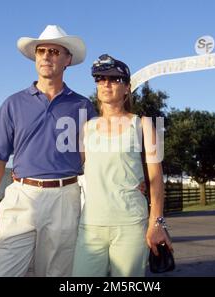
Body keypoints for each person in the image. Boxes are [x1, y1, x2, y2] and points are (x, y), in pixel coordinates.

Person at [0, 25, 97, 277]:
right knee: (5, 272)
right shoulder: (13, 103)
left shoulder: (83, 105)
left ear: (67, 60)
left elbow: (94, 158)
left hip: (66, 198)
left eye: (54, 51)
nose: (46, 56)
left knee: (57, 274)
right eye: (41, 50)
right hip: (21, 195)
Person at [72, 54, 174, 277]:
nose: (106, 83)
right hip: (90, 227)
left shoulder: (144, 124)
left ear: (127, 88)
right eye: (100, 78)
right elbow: (70, 169)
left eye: (114, 79)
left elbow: (156, 178)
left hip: (131, 226)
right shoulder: (85, 128)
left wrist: (157, 222)